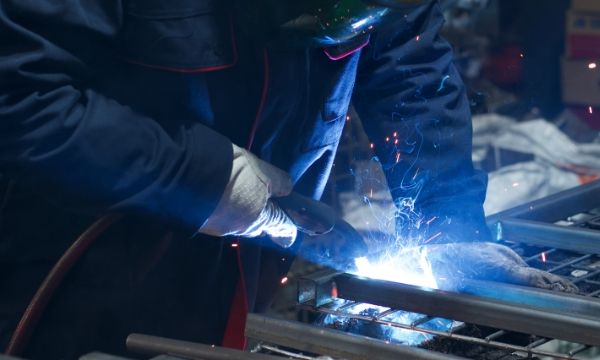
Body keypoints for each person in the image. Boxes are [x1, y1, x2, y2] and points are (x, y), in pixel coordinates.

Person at [0, 1, 572, 359]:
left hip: (249, 255)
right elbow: (21, 98)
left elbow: (409, 66)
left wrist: (449, 228)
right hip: (79, 257)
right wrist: (200, 177)